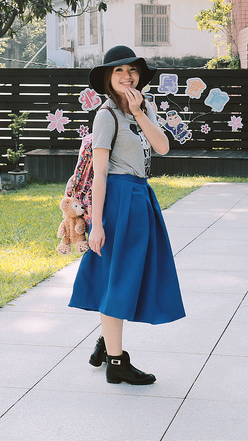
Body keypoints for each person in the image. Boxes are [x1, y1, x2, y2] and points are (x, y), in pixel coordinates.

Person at [68, 45, 185, 384]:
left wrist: (139, 113)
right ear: (108, 78)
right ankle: (116, 364)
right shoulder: (105, 115)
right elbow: (100, 174)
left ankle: (108, 343)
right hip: (118, 198)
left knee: (131, 275)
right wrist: (97, 225)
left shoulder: (143, 107)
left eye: (132, 70)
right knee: (117, 278)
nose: (127, 76)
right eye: (118, 70)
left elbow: (163, 147)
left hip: (140, 196)